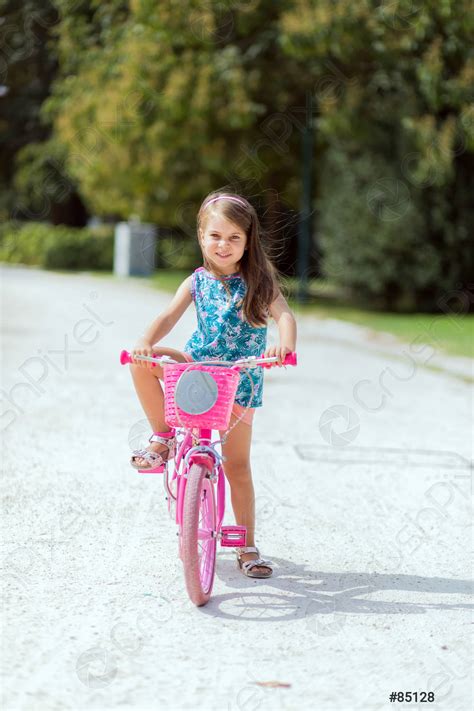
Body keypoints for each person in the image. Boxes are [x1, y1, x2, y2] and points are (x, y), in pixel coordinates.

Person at [128, 191, 297, 578]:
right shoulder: (196, 281)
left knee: (237, 465)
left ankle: (247, 545)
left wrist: (285, 344)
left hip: (240, 378)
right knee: (142, 363)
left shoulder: (259, 281)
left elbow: (283, 315)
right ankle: (163, 436)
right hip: (196, 368)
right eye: (215, 235)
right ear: (201, 237)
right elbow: (168, 316)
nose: (224, 245)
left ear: (247, 242)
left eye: (234, 237)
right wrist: (145, 341)